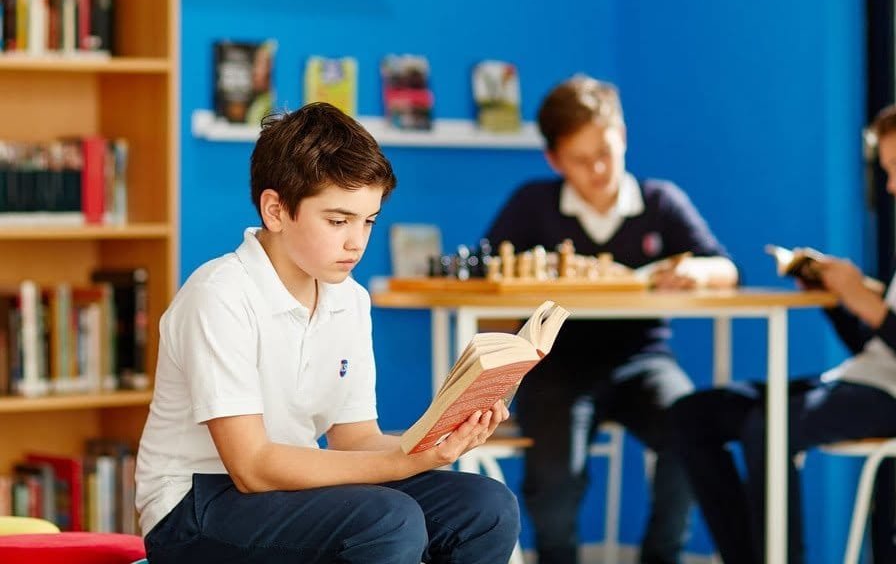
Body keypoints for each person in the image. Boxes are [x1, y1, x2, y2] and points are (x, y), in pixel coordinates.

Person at [135, 102, 520, 564]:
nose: (356, 241)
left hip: (291, 486)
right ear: (275, 210)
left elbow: (355, 440)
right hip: (194, 505)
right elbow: (252, 467)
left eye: (368, 221)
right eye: (338, 221)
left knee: (486, 507)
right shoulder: (219, 294)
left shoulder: (349, 299)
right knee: (387, 519)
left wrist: (434, 441)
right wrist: (402, 462)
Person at [669, 97, 896, 564]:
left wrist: (865, 300)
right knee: (693, 415)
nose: (891, 185)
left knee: (770, 427)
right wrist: (840, 300)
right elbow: (877, 347)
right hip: (871, 379)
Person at [483, 75, 739, 564]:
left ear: (622, 135)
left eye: (607, 151)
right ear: (554, 160)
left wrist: (696, 271)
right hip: (556, 364)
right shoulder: (533, 205)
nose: (599, 169)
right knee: (555, 473)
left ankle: (661, 555)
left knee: (692, 426)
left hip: (644, 360)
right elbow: (487, 278)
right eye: (581, 160)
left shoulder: (660, 201)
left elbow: (727, 267)